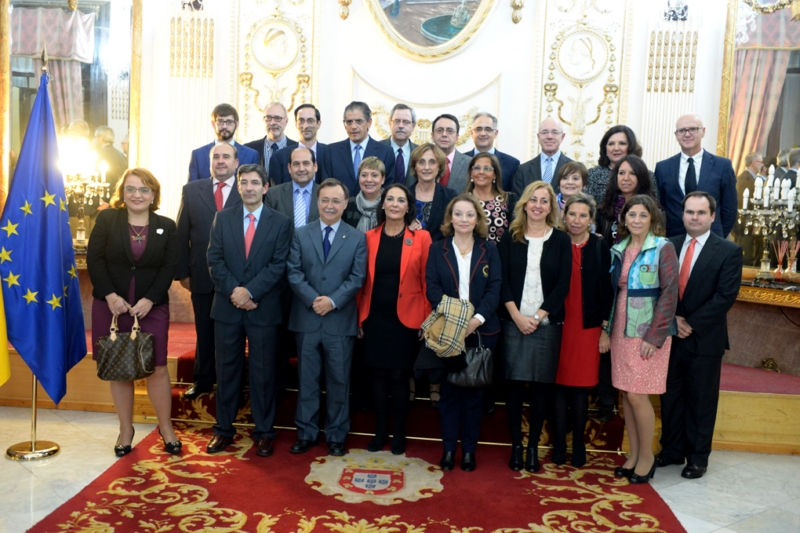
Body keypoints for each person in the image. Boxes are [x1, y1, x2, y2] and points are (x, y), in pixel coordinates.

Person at [87, 168, 181, 457]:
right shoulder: (107, 219)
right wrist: (111, 295)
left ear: (153, 195)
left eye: (143, 189)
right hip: (112, 306)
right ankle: (125, 430)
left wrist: (151, 299)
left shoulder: (166, 225)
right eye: (131, 189)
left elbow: (169, 266)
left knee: (158, 367)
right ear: (122, 193)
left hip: (150, 307)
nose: (137, 195)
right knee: (120, 369)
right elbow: (95, 258)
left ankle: (166, 428)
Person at [205, 164, 292, 456]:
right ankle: (223, 430)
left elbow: (279, 264)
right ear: (238, 186)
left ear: (266, 187)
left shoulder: (281, 222)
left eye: (256, 182)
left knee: (263, 373)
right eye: (245, 183)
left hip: (263, 307)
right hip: (228, 308)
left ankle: (264, 432)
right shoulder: (222, 218)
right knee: (226, 371)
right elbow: (214, 260)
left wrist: (251, 292)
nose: (250, 188)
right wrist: (236, 293)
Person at [656, 192, 742, 480]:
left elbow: (724, 296)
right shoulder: (669, 245)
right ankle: (671, 450)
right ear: (682, 215)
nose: (694, 217)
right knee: (671, 396)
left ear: (712, 216)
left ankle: (697, 457)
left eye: (701, 213)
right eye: (690, 212)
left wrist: (689, 323)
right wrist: (673, 320)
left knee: (701, 401)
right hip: (670, 335)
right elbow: (661, 288)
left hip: (705, 338)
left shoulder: (729, 251)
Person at [287, 178, 367, 457]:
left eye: (336, 201)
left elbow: (358, 278)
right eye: (325, 200)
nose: (330, 205)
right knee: (307, 380)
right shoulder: (300, 234)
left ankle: (336, 435)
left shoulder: (357, 237)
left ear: (345, 204)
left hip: (339, 320)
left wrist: (332, 301)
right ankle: (306, 433)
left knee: (338, 381)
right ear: (317, 202)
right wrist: (313, 300)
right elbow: (293, 273)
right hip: (307, 319)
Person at [498, 181, 571, 473]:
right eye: (533, 200)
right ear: (524, 204)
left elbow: (562, 285)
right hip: (514, 320)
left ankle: (532, 450)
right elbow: (501, 281)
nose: (538, 205)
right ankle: (516, 446)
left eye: (544, 201)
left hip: (547, 323)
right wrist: (516, 316)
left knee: (542, 387)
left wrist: (539, 316)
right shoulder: (509, 237)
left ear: (551, 207)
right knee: (514, 386)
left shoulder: (561, 240)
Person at [426, 194, 501, 472]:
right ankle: (448, 451)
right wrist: (456, 319)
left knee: (474, 396)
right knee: (449, 395)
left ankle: (469, 452)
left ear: (477, 219)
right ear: (450, 218)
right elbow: (432, 288)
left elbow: (495, 287)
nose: (464, 219)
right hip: (448, 331)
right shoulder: (438, 249)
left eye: (470, 215)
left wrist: (476, 318)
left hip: (482, 330)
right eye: (458, 214)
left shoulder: (489, 249)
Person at [607, 194, 679, 484]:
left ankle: (647, 457)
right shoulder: (619, 248)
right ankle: (634, 454)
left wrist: (656, 335)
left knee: (638, 393)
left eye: (642, 215)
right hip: (620, 328)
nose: (636, 220)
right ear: (624, 218)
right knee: (625, 392)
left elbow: (670, 293)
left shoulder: (663, 247)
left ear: (652, 219)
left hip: (648, 331)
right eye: (632, 215)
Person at [357, 184, 431, 455]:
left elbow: (427, 282)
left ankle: (399, 433)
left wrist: (426, 318)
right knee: (377, 375)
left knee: (400, 376)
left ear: (408, 206)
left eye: (401, 200)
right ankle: (380, 431)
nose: (395, 204)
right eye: (390, 199)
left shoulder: (421, 238)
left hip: (407, 319)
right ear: (383, 204)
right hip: (375, 317)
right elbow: (361, 282)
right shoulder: (368, 237)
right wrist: (359, 318)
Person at [176, 143, 243, 400]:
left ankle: (232, 382)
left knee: (233, 334)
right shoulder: (192, 191)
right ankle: (203, 380)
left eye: (226, 156)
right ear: (209, 162)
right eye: (216, 157)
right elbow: (182, 233)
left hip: (237, 279)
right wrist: (183, 272)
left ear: (236, 163)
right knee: (204, 331)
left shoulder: (246, 190)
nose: (221, 161)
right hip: (201, 276)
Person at [552, 193, 613, 468]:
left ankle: (578, 445)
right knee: (558, 387)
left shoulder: (600, 247)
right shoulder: (555, 242)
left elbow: (608, 292)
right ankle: (559, 445)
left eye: (583, 215)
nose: (576, 220)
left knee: (578, 389)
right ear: (564, 216)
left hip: (587, 328)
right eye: (572, 214)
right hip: (558, 326)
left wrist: (605, 329)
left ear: (591, 220)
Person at [654, 114, 737, 238]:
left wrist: (719, 237)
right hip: (674, 240)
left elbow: (729, 208)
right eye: (682, 130)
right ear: (676, 135)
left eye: (693, 129)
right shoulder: (663, 167)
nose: (687, 134)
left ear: (703, 131)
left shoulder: (722, 166)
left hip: (713, 240)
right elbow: (659, 207)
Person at [320, 101, 395, 196]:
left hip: (373, 209)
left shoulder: (386, 152)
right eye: (349, 122)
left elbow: (388, 189)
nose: (353, 126)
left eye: (359, 121)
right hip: (340, 209)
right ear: (344, 124)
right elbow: (326, 188)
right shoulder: (331, 152)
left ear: (369, 122)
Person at [585, 125, 659, 207]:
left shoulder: (647, 175)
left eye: (622, 143)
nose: (616, 148)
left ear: (631, 147)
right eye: (611, 144)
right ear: (605, 149)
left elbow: (656, 208)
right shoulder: (593, 174)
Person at [188, 104, 259, 182]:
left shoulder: (251, 155)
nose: (224, 126)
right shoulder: (198, 155)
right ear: (213, 124)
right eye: (220, 121)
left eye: (229, 122)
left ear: (237, 124)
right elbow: (192, 191)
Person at [596, 155, 658, 246]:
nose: (625, 178)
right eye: (621, 173)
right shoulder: (603, 210)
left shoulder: (654, 210)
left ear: (641, 177)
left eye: (632, 173)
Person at [409, 143, 457, 243]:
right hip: (409, 253)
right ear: (415, 166)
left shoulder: (450, 197)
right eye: (421, 162)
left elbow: (453, 231)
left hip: (439, 254)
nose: (426, 167)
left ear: (439, 166)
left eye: (432, 162)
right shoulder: (404, 195)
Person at [465, 152, 518, 243]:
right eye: (477, 168)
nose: (481, 172)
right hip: (471, 255)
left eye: (487, 168)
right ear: (471, 172)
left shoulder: (508, 199)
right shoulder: (462, 201)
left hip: (501, 255)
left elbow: (515, 233)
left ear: (495, 174)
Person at [266, 104, 325, 186]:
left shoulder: (329, 154)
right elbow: (275, 194)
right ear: (296, 124)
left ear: (318, 124)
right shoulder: (279, 157)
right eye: (301, 121)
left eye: (310, 121)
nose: (305, 126)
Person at [512, 117, 572, 196]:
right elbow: (517, 203)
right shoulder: (523, 170)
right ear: (538, 137)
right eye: (544, 132)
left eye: (555, 132)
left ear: (562, 137)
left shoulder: (573, 168)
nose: (549, 136)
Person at [265, 147, 320, 230]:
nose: (301, 169)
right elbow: (267, 227)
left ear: (315, 166)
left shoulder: (326, 194)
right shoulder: (273, 194)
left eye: (306, 163)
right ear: (289, 168)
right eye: (296, 164)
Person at [464, 112, 520, 192]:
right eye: (478, 129)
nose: (483, 133)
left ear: (495, 133)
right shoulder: (460, 160)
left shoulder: (512, 164)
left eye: (488, 129)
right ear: (472, 133)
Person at [244, 102, 298, 172]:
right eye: (268, 118)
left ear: (286, 121)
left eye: (277, 118)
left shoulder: (297, 148)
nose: (272, 123)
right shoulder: (249, 149)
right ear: (263, 120)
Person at [343, 157, 386, 231]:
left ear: (383, 179)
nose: (369, 180)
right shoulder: (348, 204)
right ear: (359, 178)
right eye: (364, 175)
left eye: (374, 175)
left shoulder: (390, 204)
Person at [379, 103, 417, 185]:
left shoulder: (420, 152)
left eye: (406, 122)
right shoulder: (376, 149)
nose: (401, 126)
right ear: (390, 124)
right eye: (397, 121)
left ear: (413, 126)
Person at [431, 114, 470, 193]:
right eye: (439, 130)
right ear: (432, 136)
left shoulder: (469, 163)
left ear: (457, 137)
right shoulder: (421, 162)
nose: (444, 134)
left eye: (450, 131)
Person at [92, 126, 128, 196]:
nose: (94, 139)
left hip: (105, 195)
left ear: (101, 137)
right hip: (120, 194)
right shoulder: (121, 155)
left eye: (95, 137)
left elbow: (97, 178)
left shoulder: (99, 154)